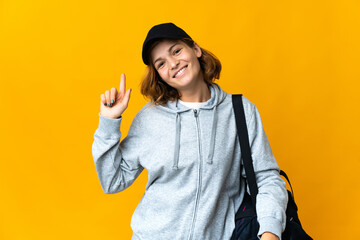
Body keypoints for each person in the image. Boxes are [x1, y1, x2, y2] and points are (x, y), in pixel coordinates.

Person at [92, 22, 288, 240]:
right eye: (161, 64)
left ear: (195, 49)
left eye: (176, 51)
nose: (173, 63)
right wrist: (109, 123)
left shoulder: (240, 111)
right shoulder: (150, 118)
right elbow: (112, 181)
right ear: (159, 75)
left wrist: (270, 233)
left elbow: (267, 178)